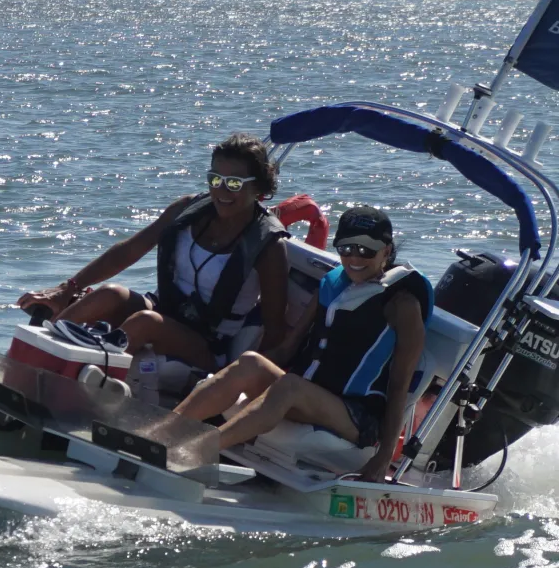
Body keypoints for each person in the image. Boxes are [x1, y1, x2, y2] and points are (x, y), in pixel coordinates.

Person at [173, 205, 433, 483]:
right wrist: (234, 376)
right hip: (309, 396)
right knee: (251, 362)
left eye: (366, 250)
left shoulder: (402, 303)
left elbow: (398, 386)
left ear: (387, 250)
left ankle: (195, 451)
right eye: (346, 248)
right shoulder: (334, 283)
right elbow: (287, 348)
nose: (355, 257)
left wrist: (382, 458)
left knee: (291, 386)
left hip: (357, 418)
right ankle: (161, 434)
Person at [17, 133, 291, 373]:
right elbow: (130, 250)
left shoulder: (269, 246)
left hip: (209, 346)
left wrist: (243, 383)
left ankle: (79, 382)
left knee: (145, 322)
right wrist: (67, 288)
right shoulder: (187, 209)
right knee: (110, 293)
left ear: (258, 187)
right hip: (164, 310)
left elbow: (274, 329)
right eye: (215, 179)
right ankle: (27, 363)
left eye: (233, 184)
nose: (221, 190)